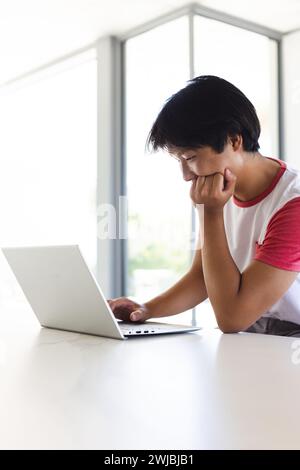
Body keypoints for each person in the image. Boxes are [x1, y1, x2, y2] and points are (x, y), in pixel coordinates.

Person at [109, 75, 300, 337]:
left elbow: (233, 317)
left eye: (190, 157)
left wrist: (210, 213)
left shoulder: (292, 203)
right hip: (254, 338)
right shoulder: (220, 194)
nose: (186, 175)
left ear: (234, 140)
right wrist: (145, 309)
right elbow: (202, 277)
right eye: (179, 160)